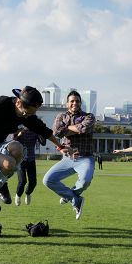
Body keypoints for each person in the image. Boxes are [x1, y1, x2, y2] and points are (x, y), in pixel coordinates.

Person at [42, 91, 95, 220]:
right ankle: (74, 199)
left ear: (81, 103)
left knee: (85, 181)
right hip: (67, 158)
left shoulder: (89, 116)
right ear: (67, 103)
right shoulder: (61, 115)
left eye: (77, 101)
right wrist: (75, 128)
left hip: (85, 158)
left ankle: (70, 195)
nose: (74, 103)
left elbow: (84, 129)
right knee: (47, 180)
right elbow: (57, 132)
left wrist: (67, 128)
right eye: (72, 101)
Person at [12, 126, 45, 206]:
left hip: (31, 159)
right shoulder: (18, 129)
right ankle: (18, 195)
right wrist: (19, 135)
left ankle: (28, 193)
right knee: (22, 181)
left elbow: (43, 143)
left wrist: (40, 132)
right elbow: (12, 143)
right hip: (20, 160)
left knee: (33, 182)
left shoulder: (35, 131)